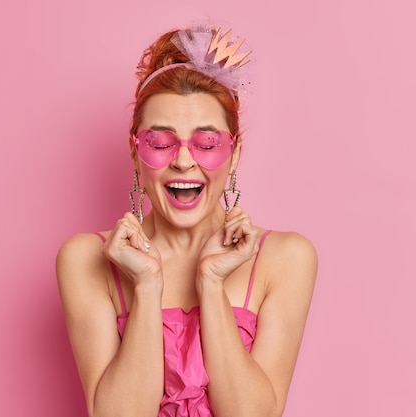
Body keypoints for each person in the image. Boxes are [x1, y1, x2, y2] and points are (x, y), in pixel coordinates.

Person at [56, 23, 318, 417]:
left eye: (206, 143)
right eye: (160, 143)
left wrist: (211, 283)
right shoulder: (85, 259)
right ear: (135, 152)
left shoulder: (286, 258)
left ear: (234, 153)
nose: (182, 159)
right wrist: (146, 284)